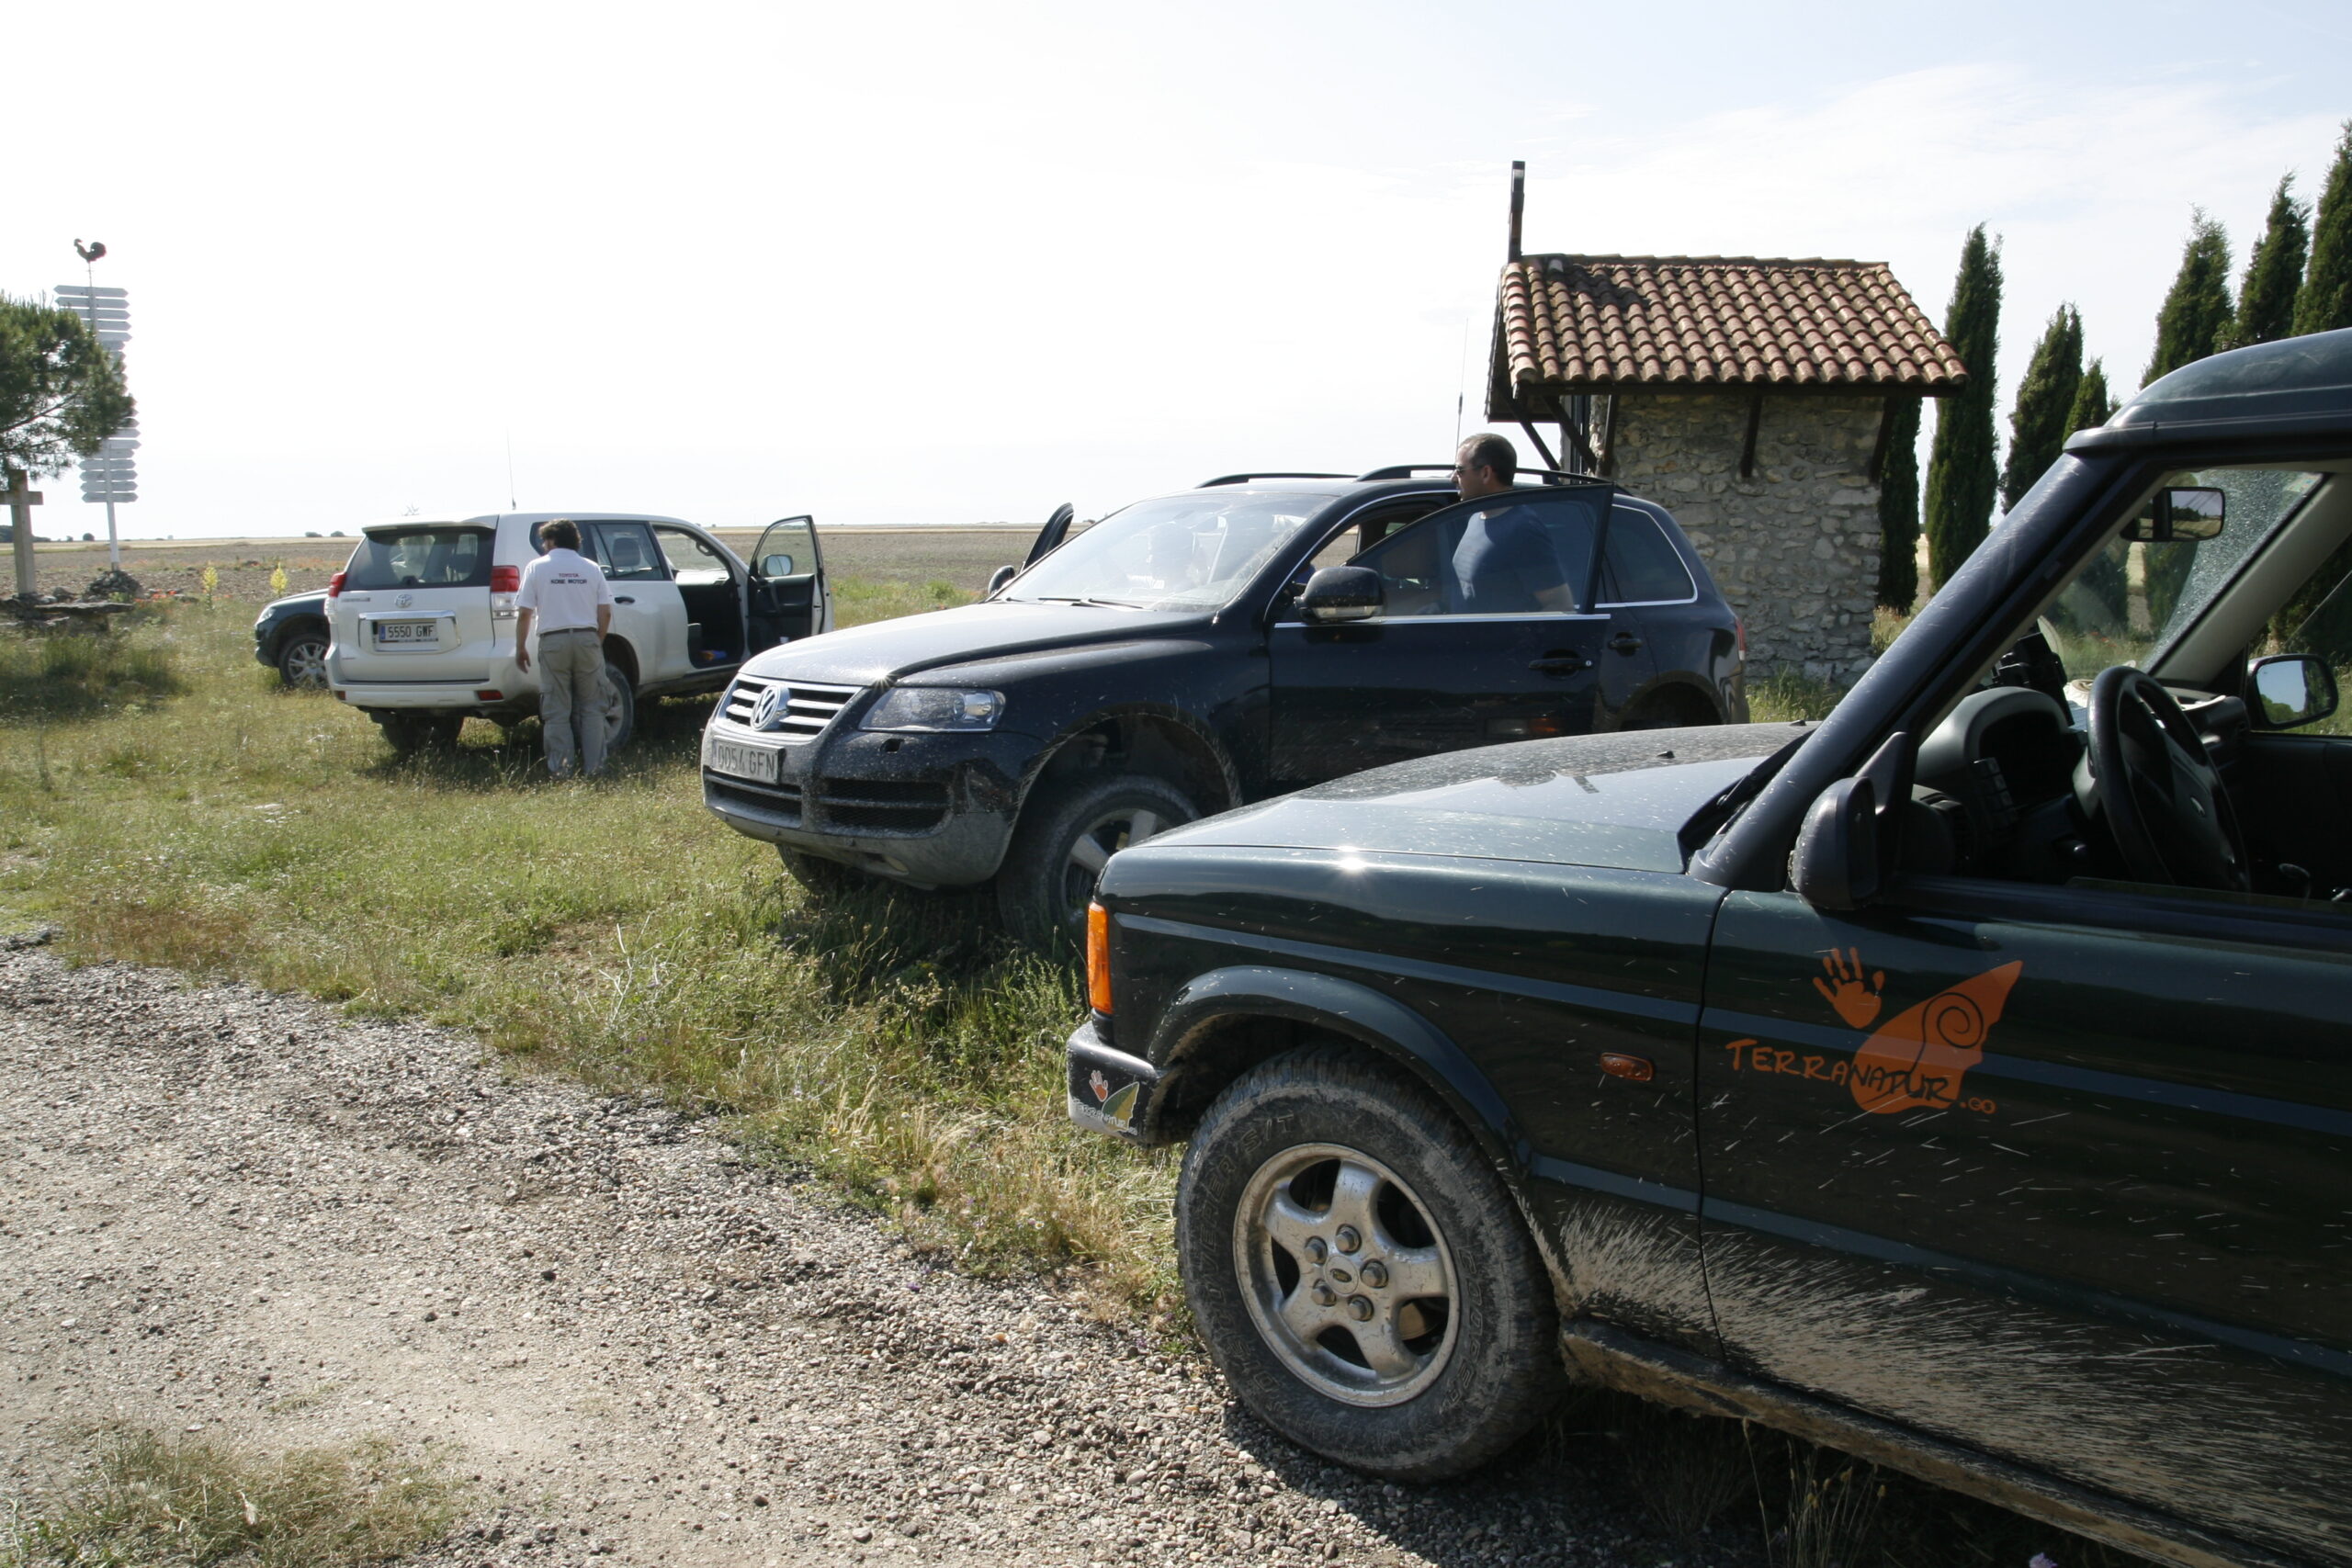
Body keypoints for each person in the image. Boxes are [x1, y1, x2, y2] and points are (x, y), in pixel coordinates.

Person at [513, 519, 616, 778]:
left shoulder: (536, 568)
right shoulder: (591, 568)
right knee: (593, 708)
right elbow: (605, 611)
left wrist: (520, 646)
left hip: (553, 640)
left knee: (557, 710)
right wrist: (597, 640)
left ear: (550, 541)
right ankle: (595, 768)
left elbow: (525, 613)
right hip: (587, 638)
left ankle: (562, 770)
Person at [1448, 434, 1574, 613]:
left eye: (1460, 470)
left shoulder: (1522, 528)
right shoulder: (1477, 518)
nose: (1453, 477)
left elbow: (1561, 607)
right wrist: (1440, 607)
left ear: (1485, 473)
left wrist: (1510, 638)